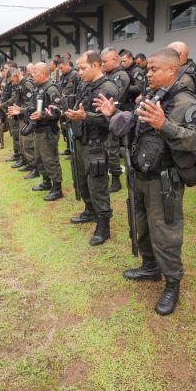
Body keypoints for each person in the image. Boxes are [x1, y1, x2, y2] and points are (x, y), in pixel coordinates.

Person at [94, 47, 196, 315]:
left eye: (154, 69)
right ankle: (149, 267)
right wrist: (113, 115)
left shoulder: (185, 102)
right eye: (148, 69)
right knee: (141, 223)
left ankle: (172, 282)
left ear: (172, 70)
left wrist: (164, 125)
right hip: (140, 173)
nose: (149, 73)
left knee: (165, 231)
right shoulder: (154, 95)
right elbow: (134, 125)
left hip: (164, 179)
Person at [64, 51, 121, 245]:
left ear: (96, 65)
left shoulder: (108, 88)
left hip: (97, 144)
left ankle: (103, 225)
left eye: (82, 68)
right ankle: (89, 211)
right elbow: (79, 107)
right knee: (82, 179)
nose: (79, 72)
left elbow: (110, 120)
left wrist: (85, 117)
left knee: (97, 185)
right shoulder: (85, 84)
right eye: (78, 68)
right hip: (81, 140)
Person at [27, 62, 64, 201]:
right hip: (38, 129)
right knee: (40, 158)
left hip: (48, 130)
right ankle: (46, 182)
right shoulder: (38, 88)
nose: (32, 75)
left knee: (50, 159)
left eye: (35, 72)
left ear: (43, 73)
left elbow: (58, 111)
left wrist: (42, 115)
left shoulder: (51, 89)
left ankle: (57, 188)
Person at [101, 48, 130, 193]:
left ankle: (116, 180)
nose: (102, 64)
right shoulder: (108, 75)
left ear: (114, 59)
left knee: (112, 150)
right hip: (104, 116)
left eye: (105, 61)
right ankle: (106, 177)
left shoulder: (120, 75)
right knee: (104, 149)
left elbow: (114, 95)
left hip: (115, 117)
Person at [58, 60, 79, 156]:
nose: (60, 70)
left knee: (71, 128)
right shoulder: (63, 76)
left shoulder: (74, 74)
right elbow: (59, 88)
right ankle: (68, 148)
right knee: (65, 127)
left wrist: (59, 97)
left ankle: (73, 151)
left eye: (62, 68)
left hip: (71, 105)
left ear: (67, 65)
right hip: (64, 104)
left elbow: (68, 90)